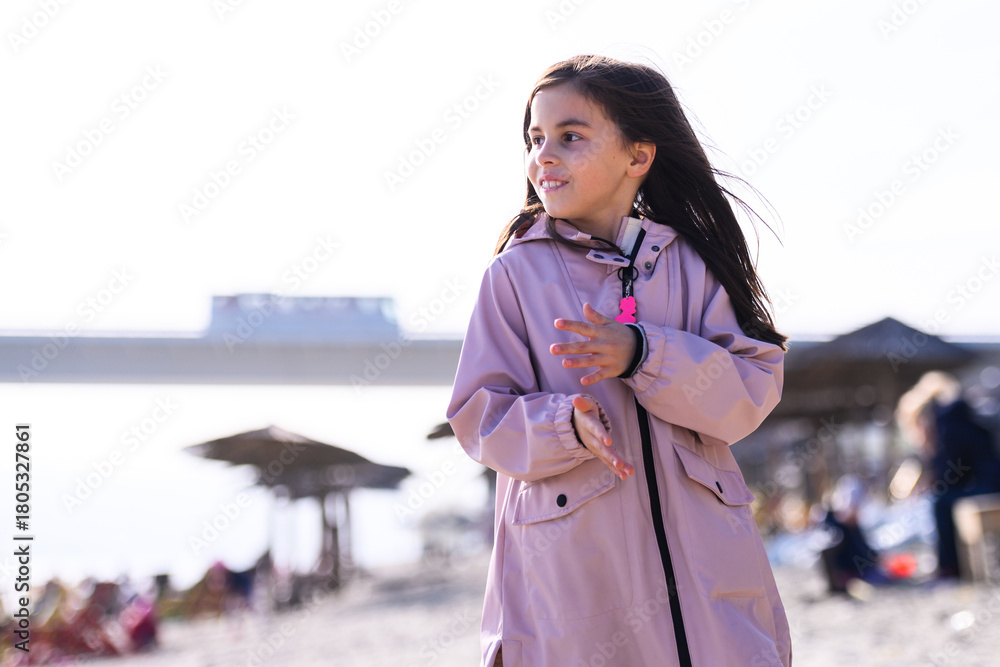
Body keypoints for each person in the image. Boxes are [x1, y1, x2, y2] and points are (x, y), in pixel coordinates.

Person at [447, 55, 791, 667]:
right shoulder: (514, 276)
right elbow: (480, 416)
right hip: (574, 568)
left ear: (638, 156)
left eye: (570, 137)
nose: (543, 155)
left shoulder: (691, 265)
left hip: (706, 570)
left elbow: (750, 390)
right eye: (535, 138)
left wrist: (644, 353)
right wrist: (561, 425)